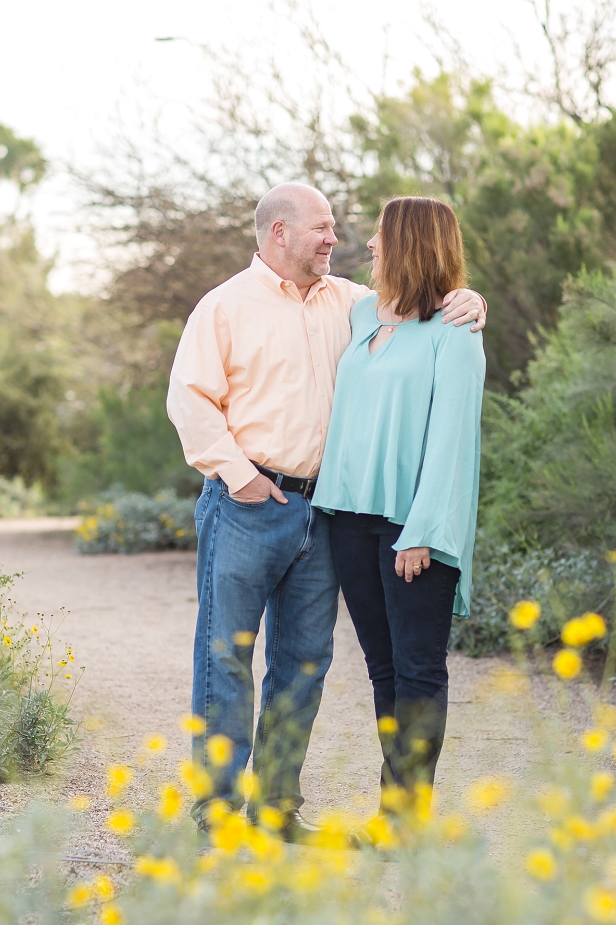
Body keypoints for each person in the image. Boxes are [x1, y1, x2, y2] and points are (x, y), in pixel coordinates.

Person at [166, 183, 486, 842]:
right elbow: (189, 399)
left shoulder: (354, 305)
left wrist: (472, 298)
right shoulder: (225, 306)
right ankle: (219, 810)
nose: (338, 240)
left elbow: (427, 310)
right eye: (322, 228)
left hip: (323, 516)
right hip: (247, 505)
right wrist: (239, 476)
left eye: (341, 230)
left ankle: (278, 808)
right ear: (279, 232)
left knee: (304, 662)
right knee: (225, 657)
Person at [312, 196, 485, 821]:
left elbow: (453, 441)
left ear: (410, 243)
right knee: (383, 669)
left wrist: (422, 531)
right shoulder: (362, 313)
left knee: (417, 671)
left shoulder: (457, 332)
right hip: (349, 521)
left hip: (413, 530)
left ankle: (406, 821)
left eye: (382, 236)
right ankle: (395, 812)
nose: (371, 247)